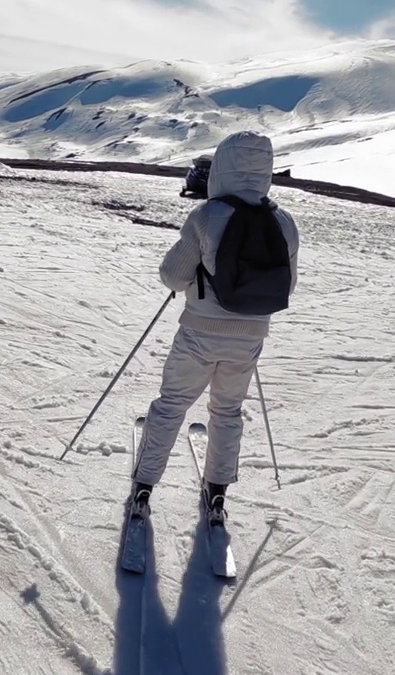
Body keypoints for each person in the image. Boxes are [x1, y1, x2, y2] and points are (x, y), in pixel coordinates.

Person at [128, 130, 299, 520]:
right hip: (251, 337)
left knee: (172, 405)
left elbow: (173, 276)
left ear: (221, 166)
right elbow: (288, 285)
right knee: (227, 411)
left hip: (200, 333)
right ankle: (217, 491)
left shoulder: (207, 215)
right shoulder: (284, 222)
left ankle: (144, 485)